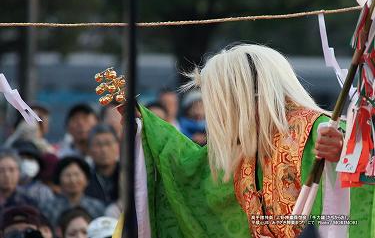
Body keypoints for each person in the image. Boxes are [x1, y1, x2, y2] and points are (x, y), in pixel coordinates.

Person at [113, 44, 374, 238]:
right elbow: (185, 171)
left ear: (242, 97)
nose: (215, 114)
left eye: (218, 101)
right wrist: (147, 127)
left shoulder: (320, 129)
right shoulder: (244, 147)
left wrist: (346, 155)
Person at [41, 156, 104, 225]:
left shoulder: (97, 207)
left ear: (87, 179)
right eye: (67, 175)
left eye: (77, 175)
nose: (73, 180)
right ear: (59, 179)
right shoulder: (49, 207)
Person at [86, 124, 120, 205]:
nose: (104, 150)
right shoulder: (85, 177)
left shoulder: (129, 174)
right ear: (89, 149)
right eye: (98, 145)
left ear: (118, 146)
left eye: (108, 144)